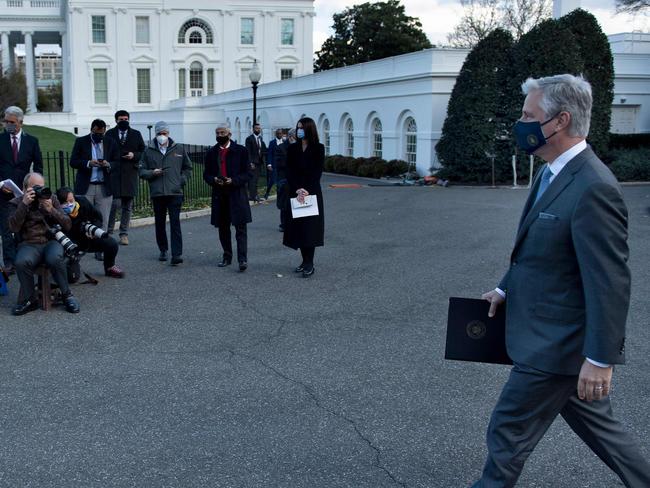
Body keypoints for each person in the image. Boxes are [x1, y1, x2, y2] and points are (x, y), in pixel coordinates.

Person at [474, 74, 650, 487]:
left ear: (559, 121)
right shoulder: (550, 172)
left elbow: (610, 280)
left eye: (527, 116)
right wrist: (505, 288)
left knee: (507, 432)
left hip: (555, 345)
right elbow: (540, 250)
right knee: (605, 435)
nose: (520, 123)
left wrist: (600, 358)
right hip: (550, 339)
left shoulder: (594, 187)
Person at [7, 172, 80, 315]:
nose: (40, 190)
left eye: (42, 186)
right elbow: (13, 227)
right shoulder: (16, 202)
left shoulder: (51, 199)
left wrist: (51, 209)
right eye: (35, 187)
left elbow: (67, 225)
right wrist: (24, 204)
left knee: (54, 258)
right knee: (21, 262)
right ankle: (29, 300)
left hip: (50, 241)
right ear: (25, 188)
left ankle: (67, 295)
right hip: (29, 243)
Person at [139, 121, 192, 265]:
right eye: (159, 134)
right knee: (160, 223)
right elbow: (141, 171)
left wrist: (181, 180)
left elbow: (188, 168)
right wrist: (152, 173)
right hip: (158, 193)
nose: (162, 136)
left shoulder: (179, 148)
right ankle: (163, 249)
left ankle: (177, 254)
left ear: (168, 134)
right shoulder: (148, 150)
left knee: (175, 223)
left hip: (175, 192)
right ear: (155, 134)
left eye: (164, 133)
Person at [203, 123, 252, 271]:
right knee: (223, 228)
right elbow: (206, 174)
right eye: (217, 133)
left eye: (222, 133)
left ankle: (242, 259)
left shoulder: (241, 151)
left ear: (229, 134)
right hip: (220, 194)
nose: (219, 136)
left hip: (237, 194)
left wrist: (234, 180)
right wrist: (214, 180)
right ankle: (227, 256)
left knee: (240, 229)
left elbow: (248, 173)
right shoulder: (211, 152)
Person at [0, 106, 43, 275]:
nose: (8, 124)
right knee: (6, 228)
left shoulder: (32, 141)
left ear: (21, 122)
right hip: (3, 194)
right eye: (6, 121)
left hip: (25, 194)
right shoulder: (1, 140)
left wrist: (34, 185)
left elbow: (38, 166)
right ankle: (9, 264)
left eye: (12, 122)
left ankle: (23, 260)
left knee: (23, 227)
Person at [69, 119, 120, 261]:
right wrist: (88, 163)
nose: (100, 135)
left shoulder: (110, 142)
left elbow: (117, 162)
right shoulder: (81, 141)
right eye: (97, 132)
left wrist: (108, 164)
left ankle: (101, 248)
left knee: (102, 219)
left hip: (104, 186)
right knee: (82, 219)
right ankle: (81, 247)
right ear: (92, 129)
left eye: (102, 133)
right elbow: (73, 161)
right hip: (86, 186)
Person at [283, 117, 324, 278]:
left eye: (302, 127)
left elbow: (317, 172)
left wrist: (306, 189)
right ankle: (303, 260)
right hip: (296, 192)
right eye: (297, 127)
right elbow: (289, 170)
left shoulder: (318, 148)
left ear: (309, 129)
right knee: (298, 228)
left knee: (310, 228)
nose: (299, 130)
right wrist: (297, 189)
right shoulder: (293, 149)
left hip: (311, 192)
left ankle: (309, 262)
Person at [55, 187, 124, 278]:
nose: (69, 204)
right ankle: (67, 268)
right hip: (70, 243)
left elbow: (98, 218)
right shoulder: (56, 212)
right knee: (73, 277)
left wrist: (92, 230)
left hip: (87, 238)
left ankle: (110, 267)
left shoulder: (82, 202)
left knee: (112, 243)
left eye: (71, 200)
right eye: (65, 203)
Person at [105, 110, 145, 246]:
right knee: (113, 205)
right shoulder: (109, 134)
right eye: (121, 119)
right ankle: (108, 233)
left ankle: (124, 234)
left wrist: (134, 155)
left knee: (127, 206)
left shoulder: (136, 134)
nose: (124, 121)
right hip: (114, 174)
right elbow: (106, 152)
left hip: (130, 174)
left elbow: (143, 152)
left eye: (126, 119)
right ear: (116, 120)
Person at [275, 128, 293, 232]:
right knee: (284, 204)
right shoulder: (280, 148)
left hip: (295, 179)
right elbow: (280, 164)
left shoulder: (299, 148)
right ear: (290, 137)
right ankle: (284, 224)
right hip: (284, 179)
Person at [245, 123, 266, 202]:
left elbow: (261, 150)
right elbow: (248, 152)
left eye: (259, 128)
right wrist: (251, 163)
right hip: (253, 163)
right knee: (252, 180)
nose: (258, 130)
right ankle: (252, 196)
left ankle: (255, 195)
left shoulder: (260, 138)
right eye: (257, 128)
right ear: (253, 129)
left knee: (256, 180)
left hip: (259, 162)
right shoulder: (249, 139)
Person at [264, 128, 284, 200]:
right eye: (278, 133)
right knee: (272, 180)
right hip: (274, 164)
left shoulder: (284, 142)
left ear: (282, 134)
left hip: (282, 165)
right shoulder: (272, 142)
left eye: (280, 133)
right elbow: (269, 154)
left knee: (281, 181)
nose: (279, 135)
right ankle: (267, 193)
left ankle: (280, 194)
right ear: (276, 134)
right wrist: (269, 164)